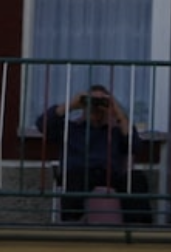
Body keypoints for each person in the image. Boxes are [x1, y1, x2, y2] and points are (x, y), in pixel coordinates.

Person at [41, 84, 138, 223]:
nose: (96, 107)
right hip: (79, 174)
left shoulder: (115, 132)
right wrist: (72, 104)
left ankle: (138, 229)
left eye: (101, 102)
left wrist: (117, 111)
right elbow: (43, 125)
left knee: (135, 180)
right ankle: (72, 224)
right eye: (91, 102)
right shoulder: (71, 129)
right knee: (73, 179)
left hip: (110, 175)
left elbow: (134, 144)